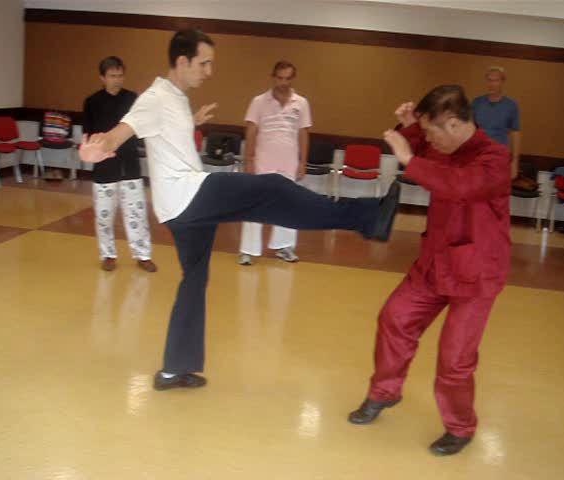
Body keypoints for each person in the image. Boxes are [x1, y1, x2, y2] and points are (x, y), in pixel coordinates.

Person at [78, 29, 400, 391]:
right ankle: (368, 217)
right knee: (273, 187)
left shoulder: (175, 97)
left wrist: (193, 121)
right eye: (204, 63)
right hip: (188, 196)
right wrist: (96, 147)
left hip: (179, 206)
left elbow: (164, 134)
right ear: (181, 61)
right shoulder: (154, 97)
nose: (209, 71)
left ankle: (174, 369)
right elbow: (122, 131)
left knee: (194, 279)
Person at [348, 85, 511, 456]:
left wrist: (410, 157)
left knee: (455, 359)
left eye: (433, 131)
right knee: (395, 318)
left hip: (476, 274)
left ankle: (460, 426)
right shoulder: (443, 145)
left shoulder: (494, 158)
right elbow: (423, 150)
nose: (429, 140)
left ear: (454, 123)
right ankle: (384, 393)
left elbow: (458, 185)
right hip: (436, 262)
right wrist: (410, 127)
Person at [83, 56, 156, 273]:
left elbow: (141, 128)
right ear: (102, 77)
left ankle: (142, 254)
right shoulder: (91, 102)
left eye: (120, 75)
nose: (117, 80)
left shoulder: (133, 98)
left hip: (130, 166)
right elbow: (87, 136)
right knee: (104, 215)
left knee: (137, 214)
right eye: (112, 76)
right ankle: (108, 254)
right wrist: (98, 150)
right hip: (104, 168)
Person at [237, 60, 311, 265]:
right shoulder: (258, 101)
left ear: (292, 79)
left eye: (288, 78)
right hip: (262, 162)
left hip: (289, 163)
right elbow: (251, 130)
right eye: (280, 78)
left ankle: (284, 247)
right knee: (255, 204)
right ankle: (247, 250)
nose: (283, 82)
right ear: (273, 77)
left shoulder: (301, 103)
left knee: (287, 205)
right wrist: (249, 159)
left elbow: (303, 133)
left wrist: (303, 162)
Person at [471, 66, 521, 180]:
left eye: (495, 80)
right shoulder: (476, 103)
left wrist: (515, 162)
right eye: (489, 80)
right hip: (478, 156)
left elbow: (515, 133)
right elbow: (469, 130)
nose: (491, 84)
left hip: (499, 157)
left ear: (502, 82)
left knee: (495, 193)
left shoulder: (511, 105)